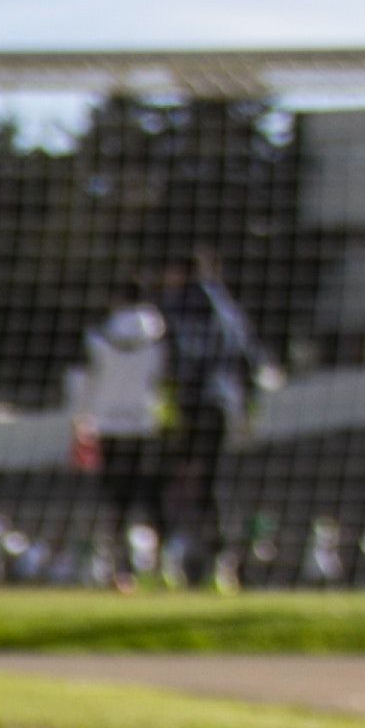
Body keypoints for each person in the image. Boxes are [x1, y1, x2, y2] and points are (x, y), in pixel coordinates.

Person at [158, 249, 261, 586]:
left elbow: (175, 354)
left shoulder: (179, 307)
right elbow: (248, 358)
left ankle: (185, 554)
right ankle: (218, 557)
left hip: (192, 402)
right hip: (222, 404)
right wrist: (247, 407)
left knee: (185, 478)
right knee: (209, 478)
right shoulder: (229, 308)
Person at [67, 276, 171, 582]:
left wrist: (80, 418)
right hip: (146, 423)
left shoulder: (98, 336)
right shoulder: (160, 337)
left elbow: (82, 380)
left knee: (116, 499)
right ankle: (164, 563)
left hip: (109, 424)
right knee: (152, 496)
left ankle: (120, 566)